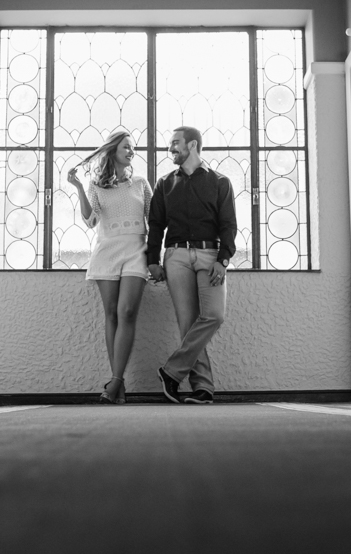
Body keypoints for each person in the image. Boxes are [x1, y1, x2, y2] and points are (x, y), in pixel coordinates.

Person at [147, 126, 237, 405]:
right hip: (175, 257)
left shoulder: (220, 182)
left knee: (213, 316)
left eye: (175, 143)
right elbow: (156, 225)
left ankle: (171, 372)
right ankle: (203, 389)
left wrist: (223, 260)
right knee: (188, 324)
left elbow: (228, 225)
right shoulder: (164, 183)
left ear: (193, 145)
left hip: (210, 255)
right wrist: (151, 260)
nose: (170, 148)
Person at [67, 130, 153, 404]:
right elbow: (90, 220)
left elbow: (154, 219)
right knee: (112, 315)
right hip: (106, 252)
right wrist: (79, 187)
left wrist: (156, 258)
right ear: (113, 149)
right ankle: (118, 383)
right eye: (127, 147)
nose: (132, 151)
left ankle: (114, 382)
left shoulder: (141, 183)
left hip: (136, 252)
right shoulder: (95, 186)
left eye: (133, 148)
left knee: (127, 311)